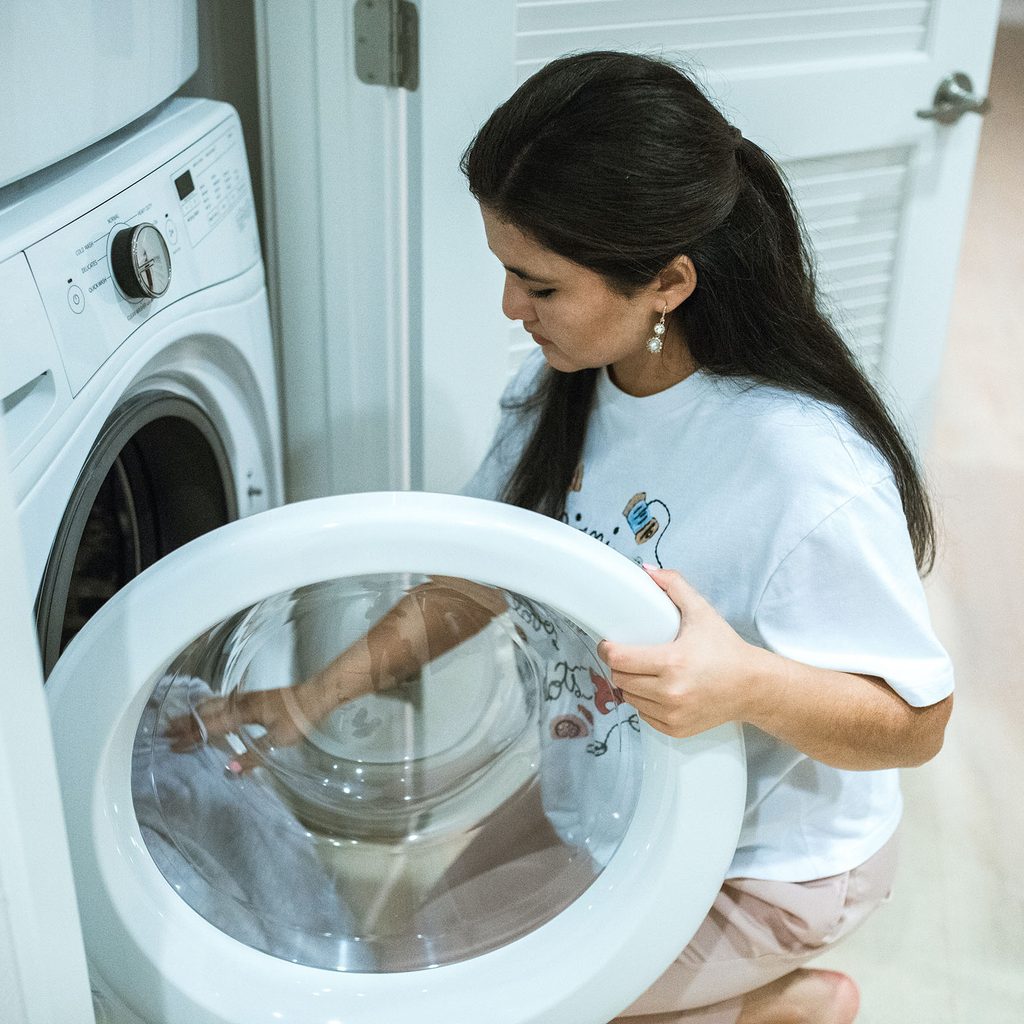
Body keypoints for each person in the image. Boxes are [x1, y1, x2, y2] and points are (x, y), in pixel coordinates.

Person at [171, 51, 954, 1024]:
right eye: (507, 271)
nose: (510, 308)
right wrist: (306, 697)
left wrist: (743, 683)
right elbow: (479, 581)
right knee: (411, 971)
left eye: (537, 284)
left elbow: (916, 721)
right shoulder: (573, 389)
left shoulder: (800, 466)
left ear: (667, 281)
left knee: (489, 1010)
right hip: (606, 789)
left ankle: (779, 1008)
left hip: (767, 859)